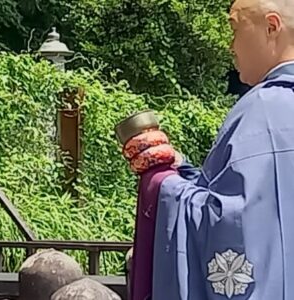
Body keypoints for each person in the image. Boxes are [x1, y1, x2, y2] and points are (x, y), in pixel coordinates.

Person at [122, 0, 294, 299]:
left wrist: (162, 180)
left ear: (271, 26)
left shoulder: (262, 110)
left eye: (235, 29)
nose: (231, 46)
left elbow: (232, 224)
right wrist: (184, 169)